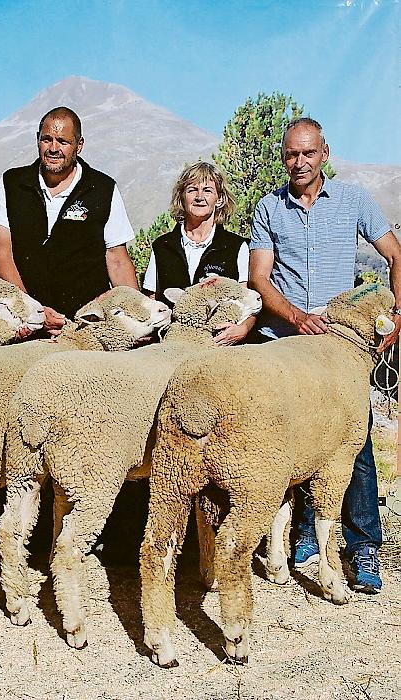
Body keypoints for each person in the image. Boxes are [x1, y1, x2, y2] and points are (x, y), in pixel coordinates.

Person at [249, 117, 401, 593]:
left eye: (308, 154)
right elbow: (259, 278)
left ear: (325, 154)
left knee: (352, 442)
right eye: (291, 154)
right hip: (286, 343)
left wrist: (398, 312)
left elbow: (396, 255)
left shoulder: (354, 200)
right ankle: (304, 538)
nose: (299, 162)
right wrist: (295, 317)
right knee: (286, 439)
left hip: (341, 347)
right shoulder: (268, 207)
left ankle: (364, 547)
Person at [0, 106, 138, 334]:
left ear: (79, 145)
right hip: (26, 324)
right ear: (37, 140)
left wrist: (135, 315)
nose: (53, 148)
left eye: (63, 141)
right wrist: (34, 313)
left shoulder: (102, 189)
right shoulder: (11, 184)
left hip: (86, 326)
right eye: (46, 139)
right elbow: (3, 256)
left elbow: (117, 260)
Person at [142, 161, 255, 345]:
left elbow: (247, 300)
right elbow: (151, 298)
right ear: (182, 197)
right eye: (192, 190)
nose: (199, 197)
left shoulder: (236, 246)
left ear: (219, 199)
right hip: (171, 344)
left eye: (208, 190)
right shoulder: (162, 246)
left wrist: (243, 329)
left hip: (220, 345)